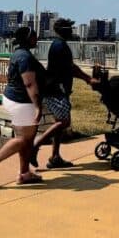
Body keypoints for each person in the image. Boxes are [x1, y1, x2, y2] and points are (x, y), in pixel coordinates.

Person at [0, 27, 44, 188]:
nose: (37, 37)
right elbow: (29, 83)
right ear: (28, 38)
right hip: (22, 102)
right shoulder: (25, 57)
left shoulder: (19, 53)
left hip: (16, 100)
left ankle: (24, 173)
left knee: (27, 140)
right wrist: (37, 106)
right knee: (22, 140)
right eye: (34, 35)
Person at [30, 18, 98, 169]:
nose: (72, 31)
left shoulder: (58, 45)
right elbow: (71, 68)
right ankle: (36, 145)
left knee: (58, 124)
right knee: (64, 122)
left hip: (57, 89)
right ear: (63, 30)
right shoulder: (61, 46)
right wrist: (88, 79)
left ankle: (55, 157)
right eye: (70, 28)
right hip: (57, 90)